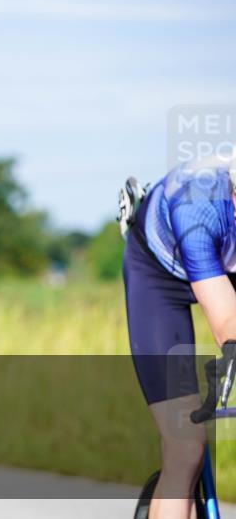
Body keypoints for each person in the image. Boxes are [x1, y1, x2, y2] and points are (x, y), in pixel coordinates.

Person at [122, 155, 236, 519]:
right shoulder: (199, 206)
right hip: (159, 278)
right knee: (186, 447)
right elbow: (228, 324)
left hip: (224, 267)